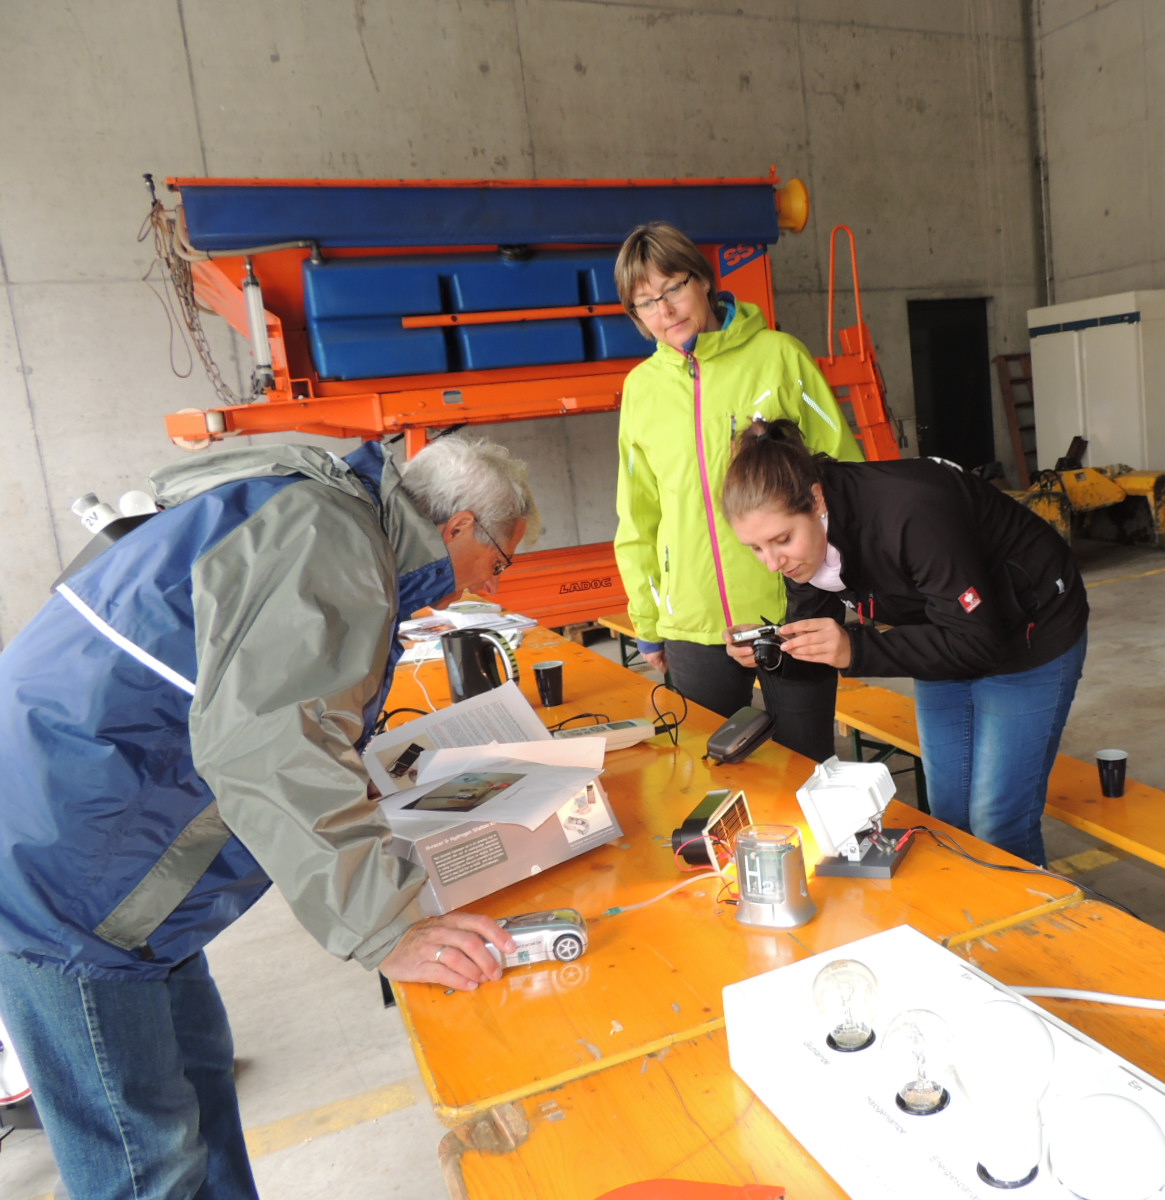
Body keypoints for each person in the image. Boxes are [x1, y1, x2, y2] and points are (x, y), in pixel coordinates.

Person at [0, 434, 538, 1199]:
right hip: (68, 873)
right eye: (499, 561)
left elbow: (267, 702)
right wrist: (387, 927)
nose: (485, 585)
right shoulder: (333, 539)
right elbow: (270, 744)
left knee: (199, 1090)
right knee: (144, 1162)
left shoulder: (310, 505)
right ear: (458, 527)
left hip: (109, 848)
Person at [721, 418, 1090, 866]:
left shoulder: (909, 511)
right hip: (943, 630)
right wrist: (773, 653)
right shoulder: (804, 544)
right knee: (950, 813)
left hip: (1031, 629)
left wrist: (856, 649)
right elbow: (815, 636)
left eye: (781, 541)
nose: (772, 562)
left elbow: (979, 642)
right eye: (756, 548)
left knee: (997, 821)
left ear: (816, 500)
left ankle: (1032, 910)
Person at [612, 221, 863, 761]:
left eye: (674, 287)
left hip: (793, 607)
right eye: (647, 302)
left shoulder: (780, 356)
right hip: (693, 620)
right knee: (708, 770)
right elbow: (638, 516)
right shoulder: (641, 390)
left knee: (806, 767)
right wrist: (649, 622)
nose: (666, 310)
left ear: (703, 280)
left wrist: (853, 582)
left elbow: (845, 475)